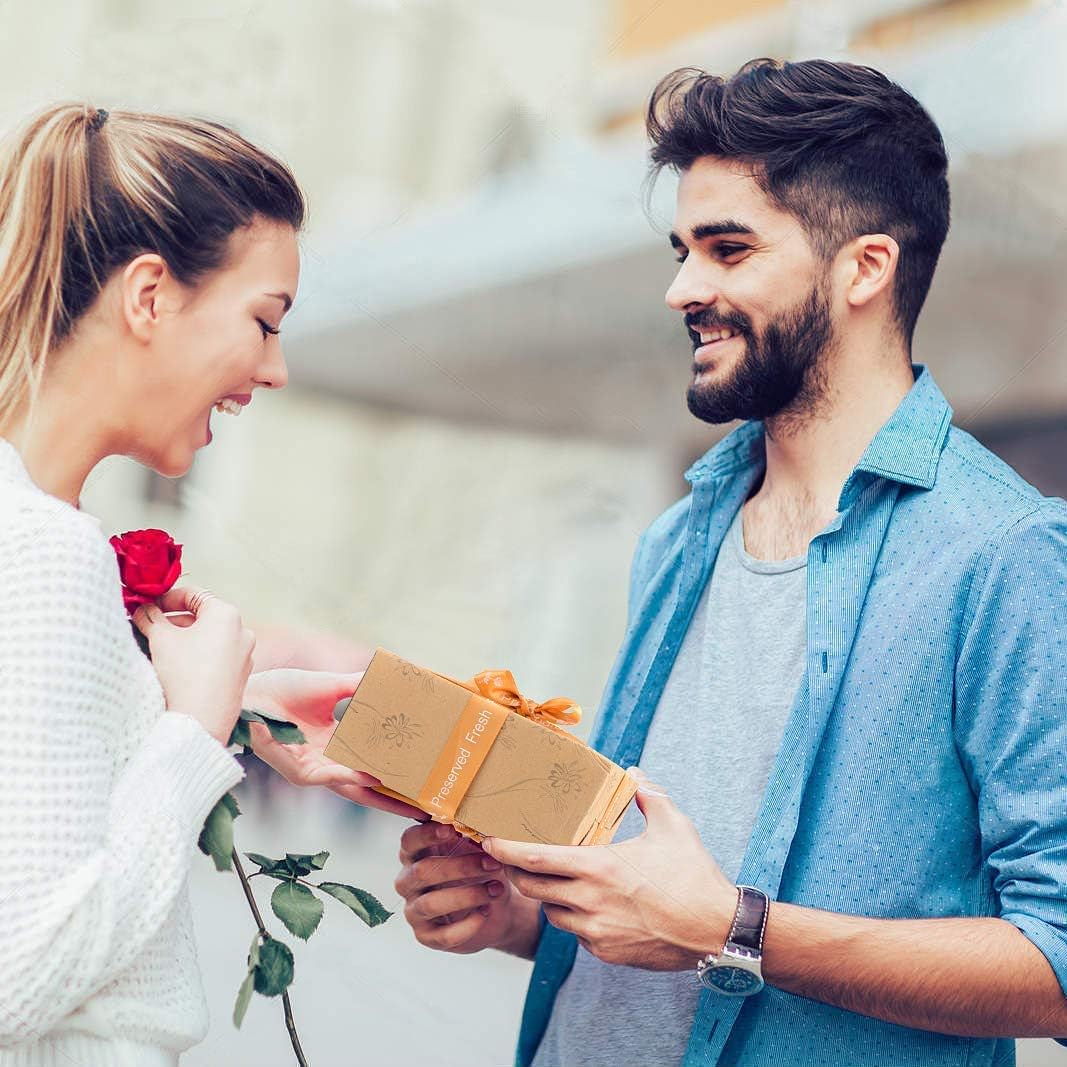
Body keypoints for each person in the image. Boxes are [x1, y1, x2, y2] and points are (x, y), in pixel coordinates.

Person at [394, 59, 1067, 1066]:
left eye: (726, 249)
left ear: (862, 268)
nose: (680, 289)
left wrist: (733, 928)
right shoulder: (679, 537)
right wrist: (517, 916)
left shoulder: (1003, 555)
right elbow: (660, 911)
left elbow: (1053, 963)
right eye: (681, 249)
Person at [0, 102, 418, 1067]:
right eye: (263, 322)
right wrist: (188, 737)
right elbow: (22, 967)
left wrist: (225, 708)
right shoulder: (42, 550)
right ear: (149, 296)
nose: (273, 370)